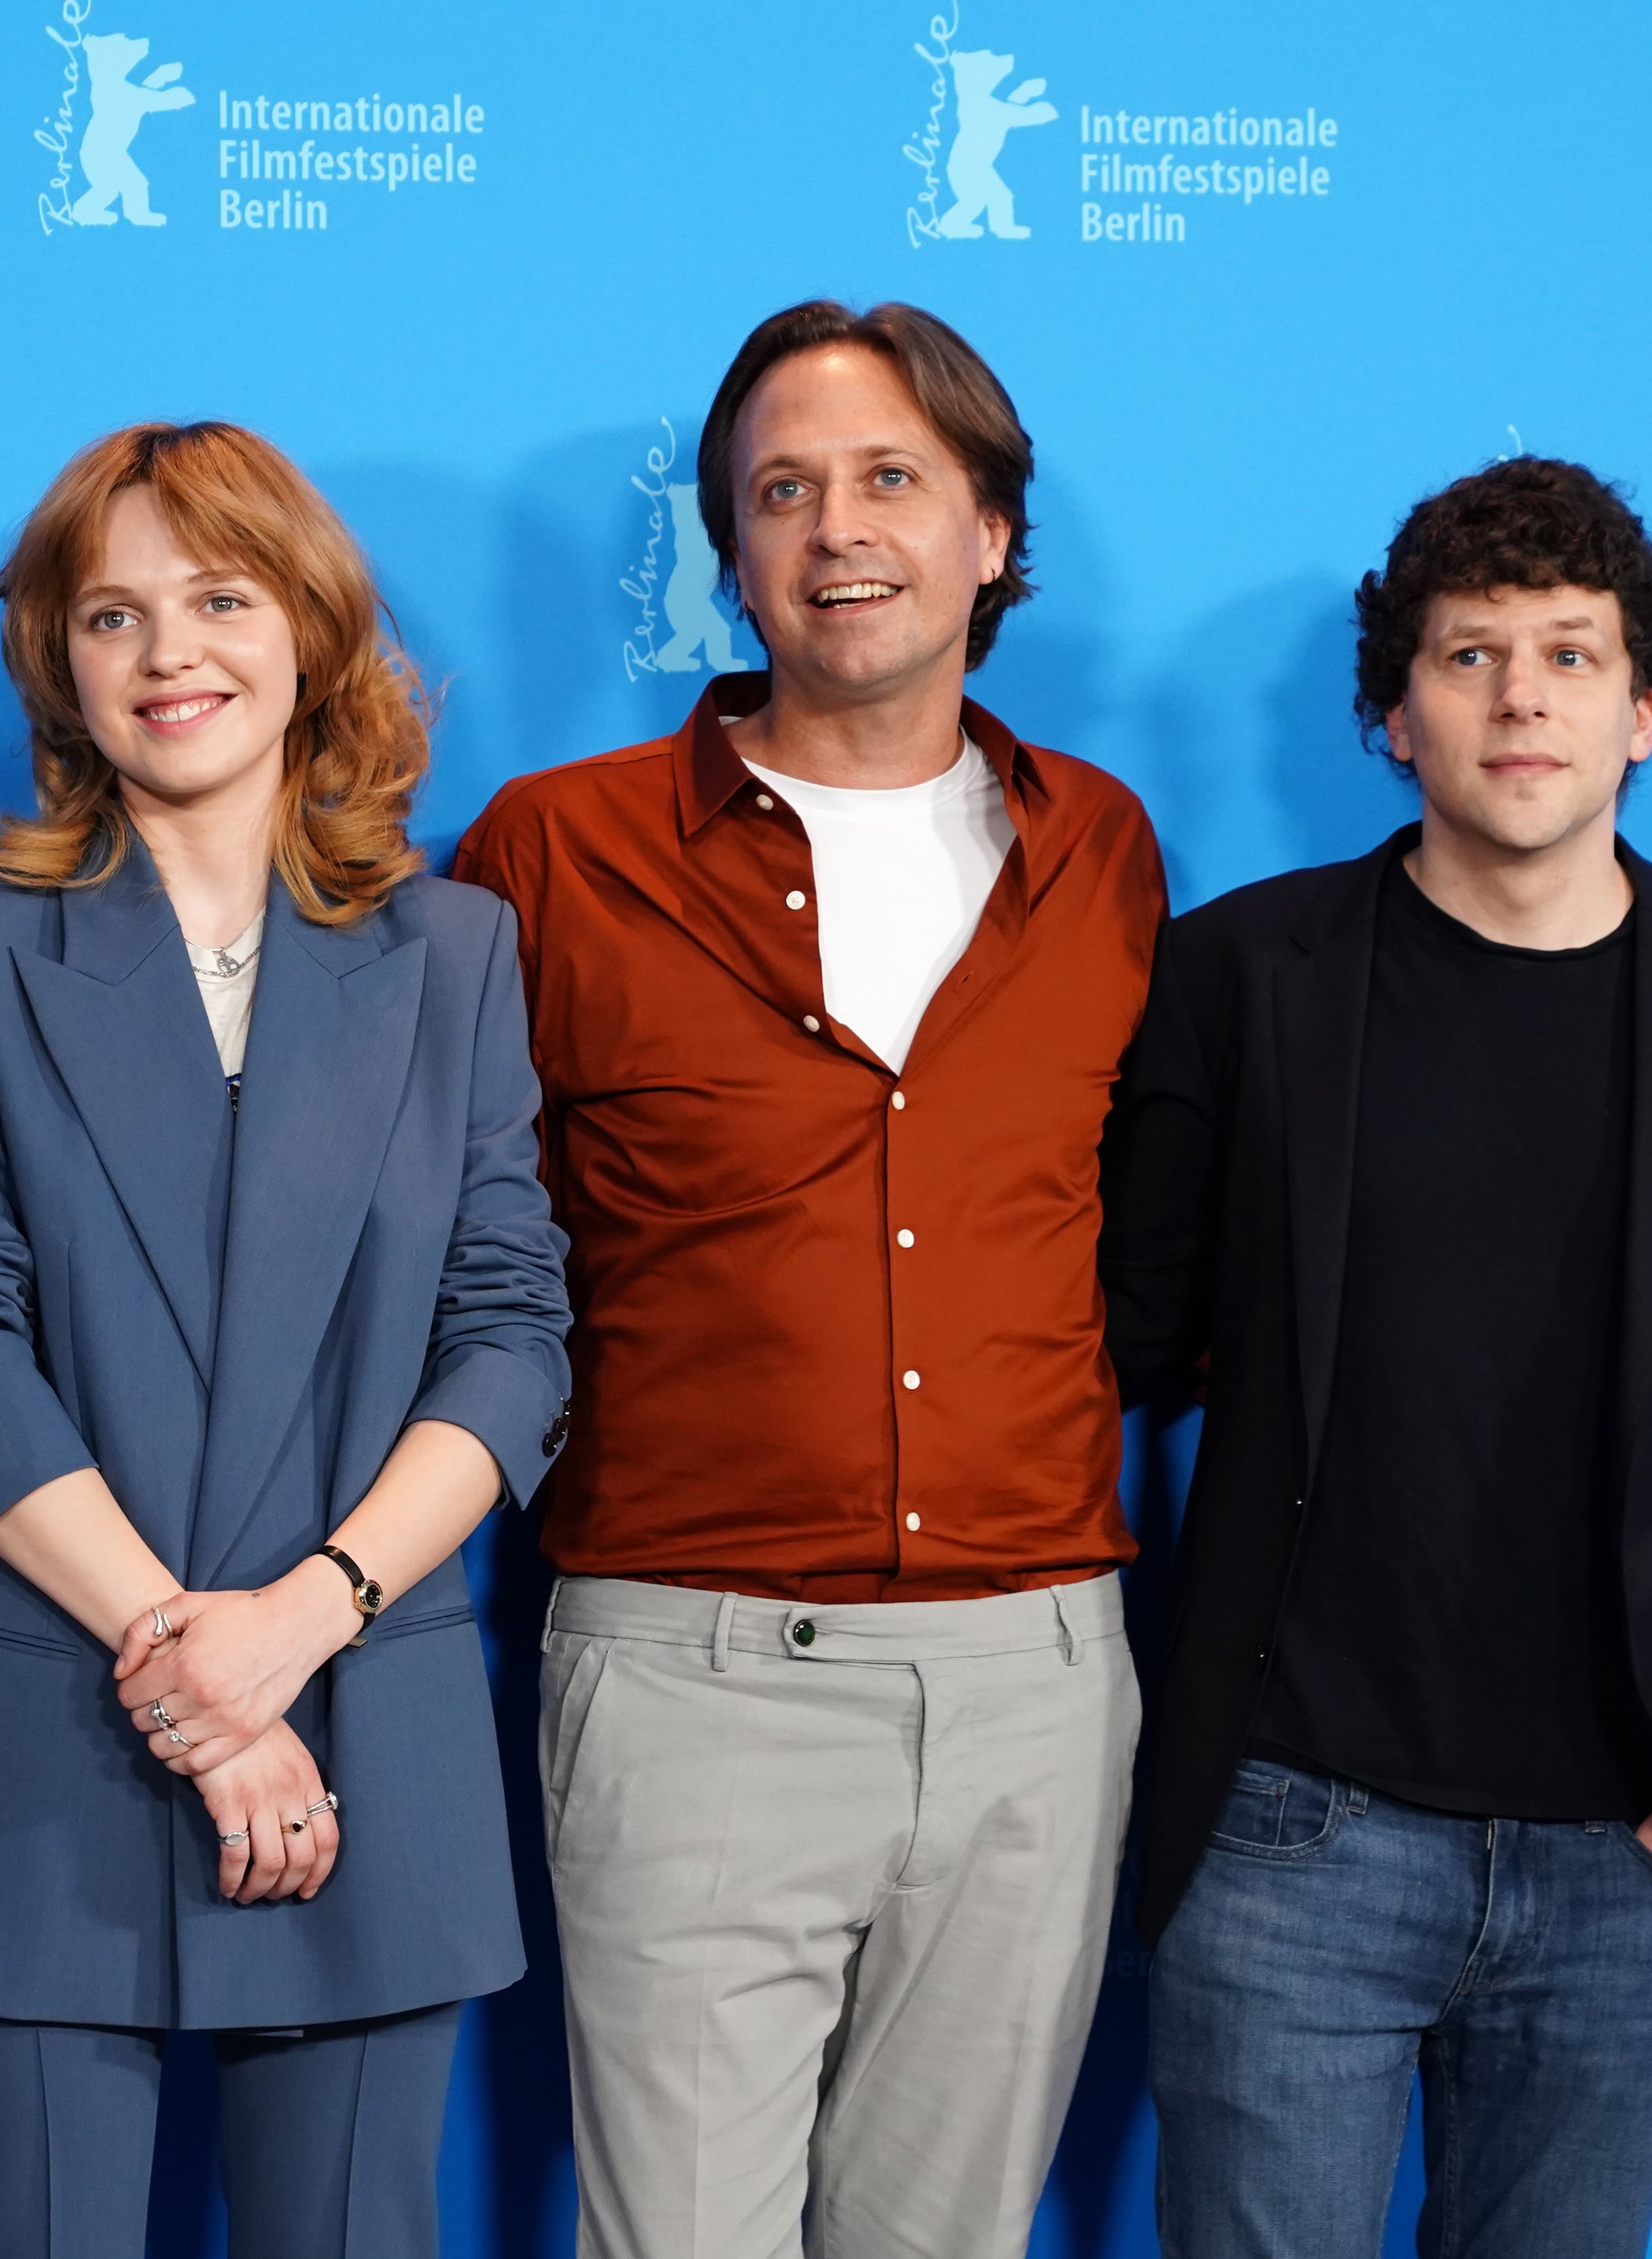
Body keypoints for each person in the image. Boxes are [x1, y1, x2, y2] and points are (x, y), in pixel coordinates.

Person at [455, 300, 1164, 2259]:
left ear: (993, 533)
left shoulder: (1100, 850)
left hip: (1035, 1681)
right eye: (783, 491)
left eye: (888, 480)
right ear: (734, 552)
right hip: (690, 1675)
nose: (837, 529)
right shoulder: (555, 851)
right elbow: (431, 1240)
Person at [1103, 457, 1652, 2257]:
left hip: (1633, 1833)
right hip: (1293, 1824)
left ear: (1643, 715)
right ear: (1393, 717)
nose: (1522, 695)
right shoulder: (1245, 973)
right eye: (1469, 654)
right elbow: (1128, 1332)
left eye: (1571, 655)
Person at [0, 421, 571, 2259]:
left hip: (361, 1728)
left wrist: (297, 1626)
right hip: (40, 1728)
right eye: (113, 614)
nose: (171, 653)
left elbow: (512, 1336)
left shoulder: (459, 954)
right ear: (60, 669)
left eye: (220, 598)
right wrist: (188, 1671)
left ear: (311, 631)